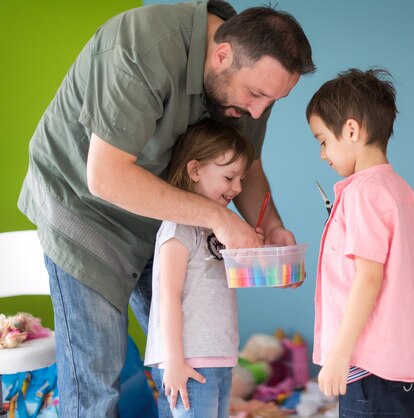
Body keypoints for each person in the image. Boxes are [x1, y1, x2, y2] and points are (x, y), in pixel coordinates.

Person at [17, 0, 314, 416]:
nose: (258, 111)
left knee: (189, 361)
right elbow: (106, 177)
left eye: (273, 100)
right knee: (98, 378)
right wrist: (216, 217)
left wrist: (272, 226)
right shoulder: (141, 46)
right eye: (257, 94)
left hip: (163, 215)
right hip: (84, 207)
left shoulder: (249, 80)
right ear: (222, 55)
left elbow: (248, 164)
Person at [305, 68, 414, 417]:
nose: (322, 154)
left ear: (350, 130)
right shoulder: (402, 191)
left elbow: (368, 278)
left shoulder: (363, 193)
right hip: (407, 369)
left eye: (322, 140)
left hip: (370, 371)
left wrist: (338, 356)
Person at [144, 119, 256, 417]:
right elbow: (167, 295)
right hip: (189, 361)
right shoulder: (178, 228)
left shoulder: (216, 228)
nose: (238, 187)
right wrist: (175, 361)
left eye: (241, 179)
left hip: (219, 358)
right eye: (230, 177)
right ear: (195, 171)